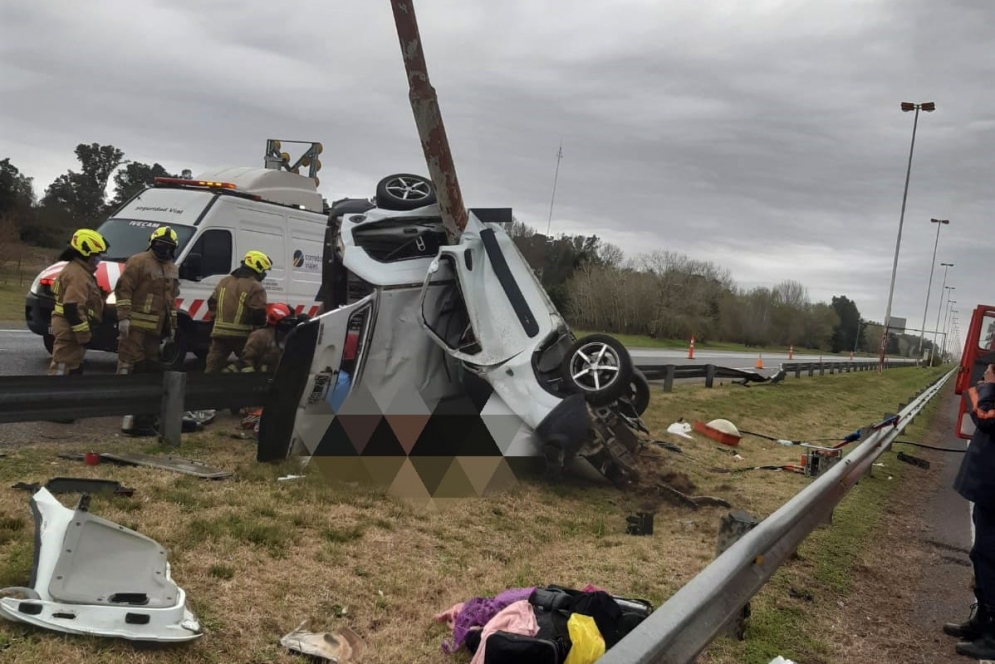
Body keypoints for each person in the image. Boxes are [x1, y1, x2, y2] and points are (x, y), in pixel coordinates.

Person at [947, 363, 995, 659]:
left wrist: (988, 384)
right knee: (982, 554)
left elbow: (986, 417)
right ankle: (982, 622)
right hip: (989, 490)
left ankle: (992, 636)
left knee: (990, 557)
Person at [114, 226, 180, 435]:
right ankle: (121, 402)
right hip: (135, 326)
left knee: (151, 366)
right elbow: (123, 289)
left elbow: (171, 299)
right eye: (160, 244)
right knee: (132, 363)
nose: (164, 249)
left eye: (168, 247)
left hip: (155, 329)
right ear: (152, 243)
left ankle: (144, 407)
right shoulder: (138, 261)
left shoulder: (172, 268)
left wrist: (172, 327)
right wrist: (124, 317)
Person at [47, 228, 108, 379]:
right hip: (70, 330)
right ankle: (53, 393)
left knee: (73, 367)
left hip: (70, 329)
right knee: (62, 368)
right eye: (96, 255)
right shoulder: (77, 274)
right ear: (86, 254)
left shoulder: (80, 271)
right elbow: (72, 307)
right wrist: (83, 334)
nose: (99, 259)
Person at [204, 250, 271, 373]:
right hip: (243, 336)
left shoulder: (224, 281)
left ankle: (205, 384)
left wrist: (216, 320)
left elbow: (211, 302)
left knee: (212, 366)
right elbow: (258, 314)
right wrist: (259, 331)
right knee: (250, 365)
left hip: (219, 333)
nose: (264, 274)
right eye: (264, 271)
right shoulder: (255, 287)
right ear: (258, 267)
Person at [224, 302, 296, 374]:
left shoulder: (290, 336)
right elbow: (247, 359)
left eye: (291, 321)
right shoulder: (260, 336)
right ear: (274, 319)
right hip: (260, 375)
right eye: (286, 321)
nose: (290, 325)